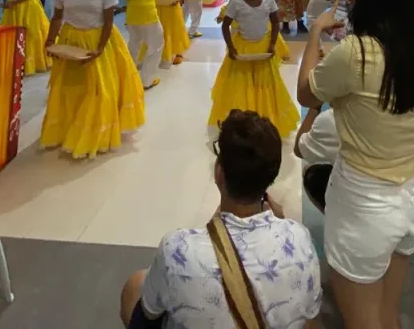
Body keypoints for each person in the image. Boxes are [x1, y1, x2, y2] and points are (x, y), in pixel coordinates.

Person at [297, 0, 414, 329]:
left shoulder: (355, 52)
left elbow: (306, 93)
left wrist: (315, 33)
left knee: (362, 319)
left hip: (364, 202)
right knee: (387, 312)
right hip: (412, 195)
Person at [120, 110, 320, 328]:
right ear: (271, 176)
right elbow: (310, 317)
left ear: (219, 173)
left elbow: (145, 318)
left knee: (135, 284)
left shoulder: (176, 249)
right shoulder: (300, 239)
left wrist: (217, 225)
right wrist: (282, 224)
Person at [43, 0, 145, 158]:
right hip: (71, 40)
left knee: (99, 88)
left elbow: (108, 22)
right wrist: (51, 40)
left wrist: (99, 48)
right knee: (72, 87)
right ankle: (72, 126)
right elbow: (57, 17)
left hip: (99, 39)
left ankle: (96, 132)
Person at [210, 0, 299, 137]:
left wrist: (272, 43)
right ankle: (242, 121)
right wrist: (231, 47)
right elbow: (225, 25)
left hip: (263, 48)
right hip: (242, 47)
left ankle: (264, 116)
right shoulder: (236, 3)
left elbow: (275, 22)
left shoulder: (268, 0)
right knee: (241, 83)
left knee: (264, 82)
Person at [113, 0, 165, 90]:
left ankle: (128, 77)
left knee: (134, 45)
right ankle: (146, 80)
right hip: (149, 12)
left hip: (132, 14)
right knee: (156, 45)